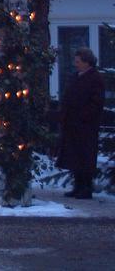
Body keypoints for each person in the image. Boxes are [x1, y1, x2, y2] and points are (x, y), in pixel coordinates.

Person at [57, 47, 105, 199]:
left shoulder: (95, 78)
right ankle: (77, 185)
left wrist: (83, 117)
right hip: (72, 124)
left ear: (87, 62)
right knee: (74, 156)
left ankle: (86, 187)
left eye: (78, 61)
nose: (75, 64)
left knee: (85, 156)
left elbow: (96, 103)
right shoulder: (75, 77)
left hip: (86, 126)